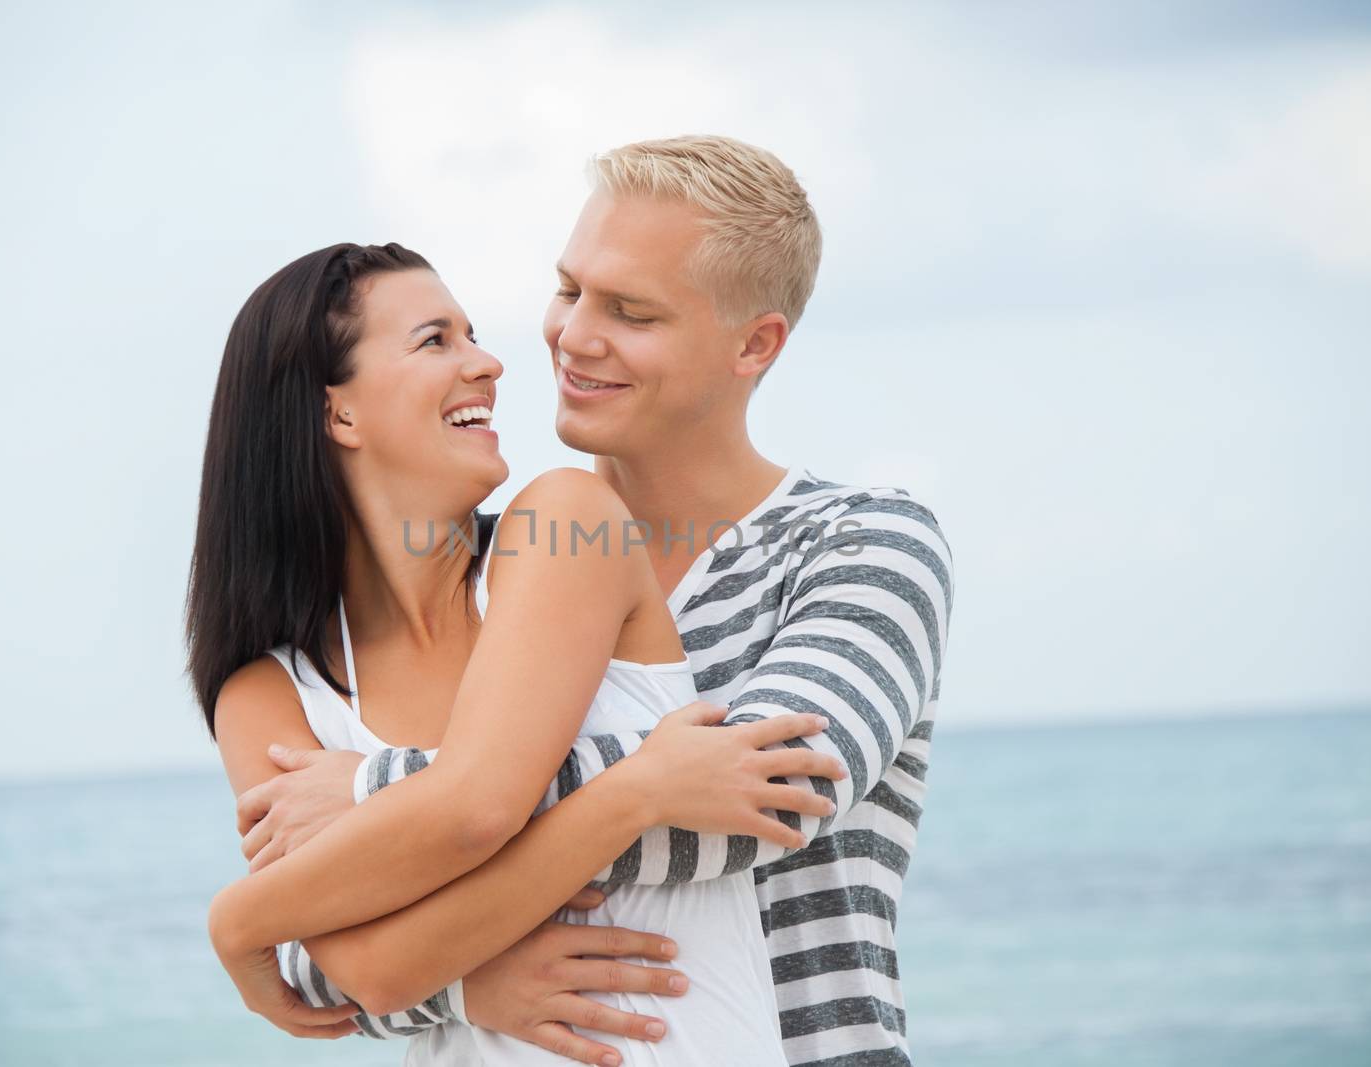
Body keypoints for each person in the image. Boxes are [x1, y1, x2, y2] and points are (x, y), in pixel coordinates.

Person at [234, 136, 956, 1066]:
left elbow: (766, 794)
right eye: (570, 289)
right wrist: (462, 978)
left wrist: (380, 795)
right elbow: (326, 966)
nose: (572, 336)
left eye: (632, 311)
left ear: (755, 343)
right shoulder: (491, 573)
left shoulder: (860, 542)